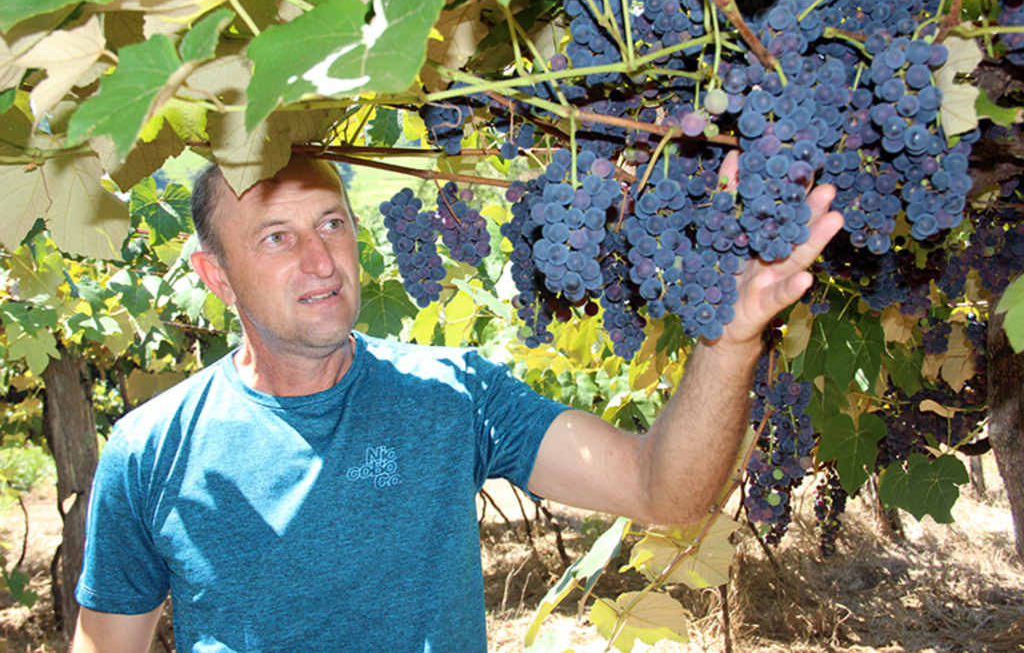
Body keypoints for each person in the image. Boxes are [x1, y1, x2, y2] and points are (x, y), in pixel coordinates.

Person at [71, 153, 842, 652]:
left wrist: (730, 340)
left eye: (331, 222)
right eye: (275, 237)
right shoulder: (149, 449)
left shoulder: (451, 394)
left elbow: (661, 490)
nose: (321, 258)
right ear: (217, 276)